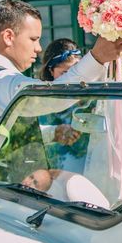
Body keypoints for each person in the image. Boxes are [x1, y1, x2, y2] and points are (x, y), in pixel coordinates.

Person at [0, 0, 122, 177]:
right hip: (0, 193)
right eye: (33, 39)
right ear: (8, 37)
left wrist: (53, 133)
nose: (39, 48)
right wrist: (97, 58)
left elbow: (9, 134)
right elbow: (50, 98)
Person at [38, 39, 88, 173]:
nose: (71, 78)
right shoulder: (40, 99)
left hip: (87, 161)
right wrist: (55, 131)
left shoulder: (89, 95)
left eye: (74, 71)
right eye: (64, 73)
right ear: (51, 71)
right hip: (53, 166)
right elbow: (34, 135)